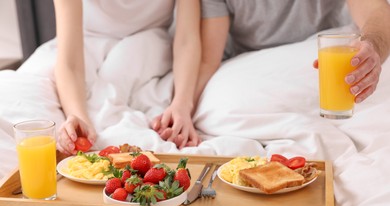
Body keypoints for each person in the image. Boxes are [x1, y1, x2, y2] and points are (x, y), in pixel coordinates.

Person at [153, 0, 390, 143]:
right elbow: (207, 60)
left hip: (324, 57)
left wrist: (373, 47)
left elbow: (376, 11)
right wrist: (182, 105)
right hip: (255, 68)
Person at [54, 0, 201, 154]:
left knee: (107, 99)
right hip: (85, 43)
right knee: (36, 111)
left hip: (149, 41)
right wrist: (78, 117)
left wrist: (182, 105)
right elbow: (70, 63)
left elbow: (186, 40)